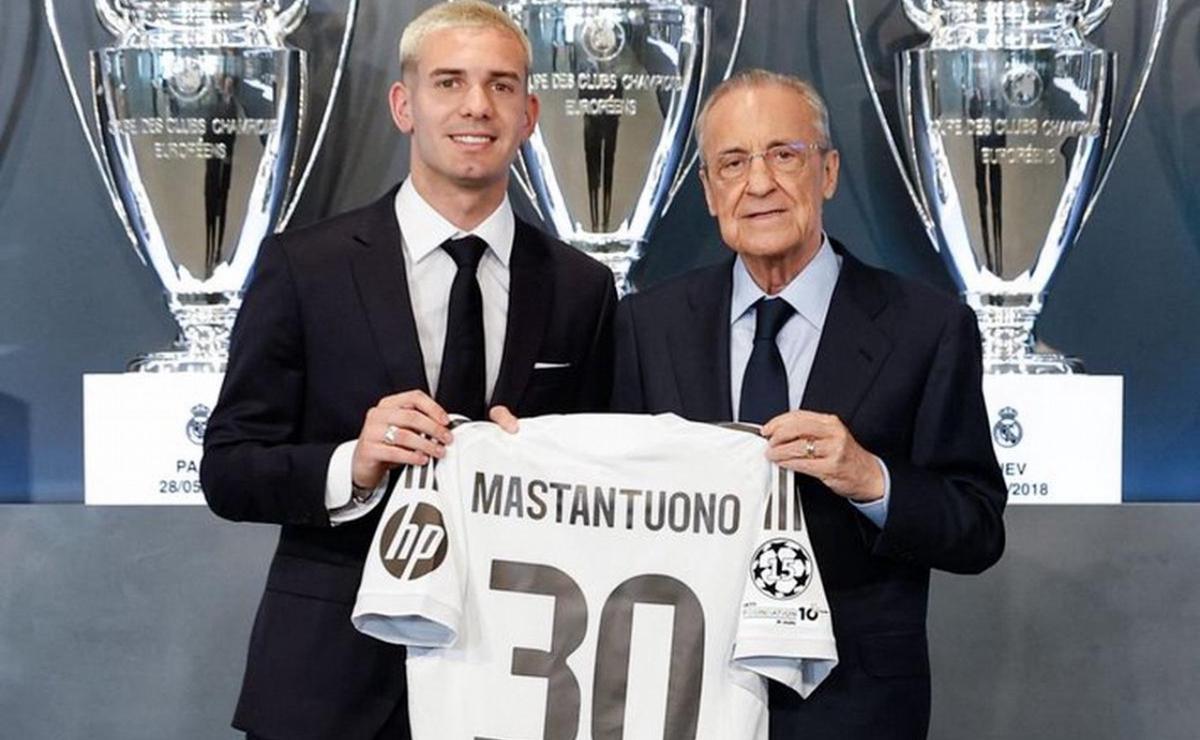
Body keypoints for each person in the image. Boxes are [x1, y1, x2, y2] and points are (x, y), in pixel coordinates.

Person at [199, 3, 616, 738]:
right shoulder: (306, 267)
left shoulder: (582, 287)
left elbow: (607, 482)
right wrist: (351, 466)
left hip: (518, 678)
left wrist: (550, 463)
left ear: (529, 115)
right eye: (449, 82)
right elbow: (229, 469)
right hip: (331, 684)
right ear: (404, 105)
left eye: (501, 85)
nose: (476, 106)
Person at [611, 69, 1006, 740]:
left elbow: (977, 529)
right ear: (708, 191)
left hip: (854, 707)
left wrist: (870, 478)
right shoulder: (647, 326)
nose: (759, 183)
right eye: (733, 162)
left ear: (827, 172)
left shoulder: (927, 327)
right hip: (680, 695)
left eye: (784, 155)